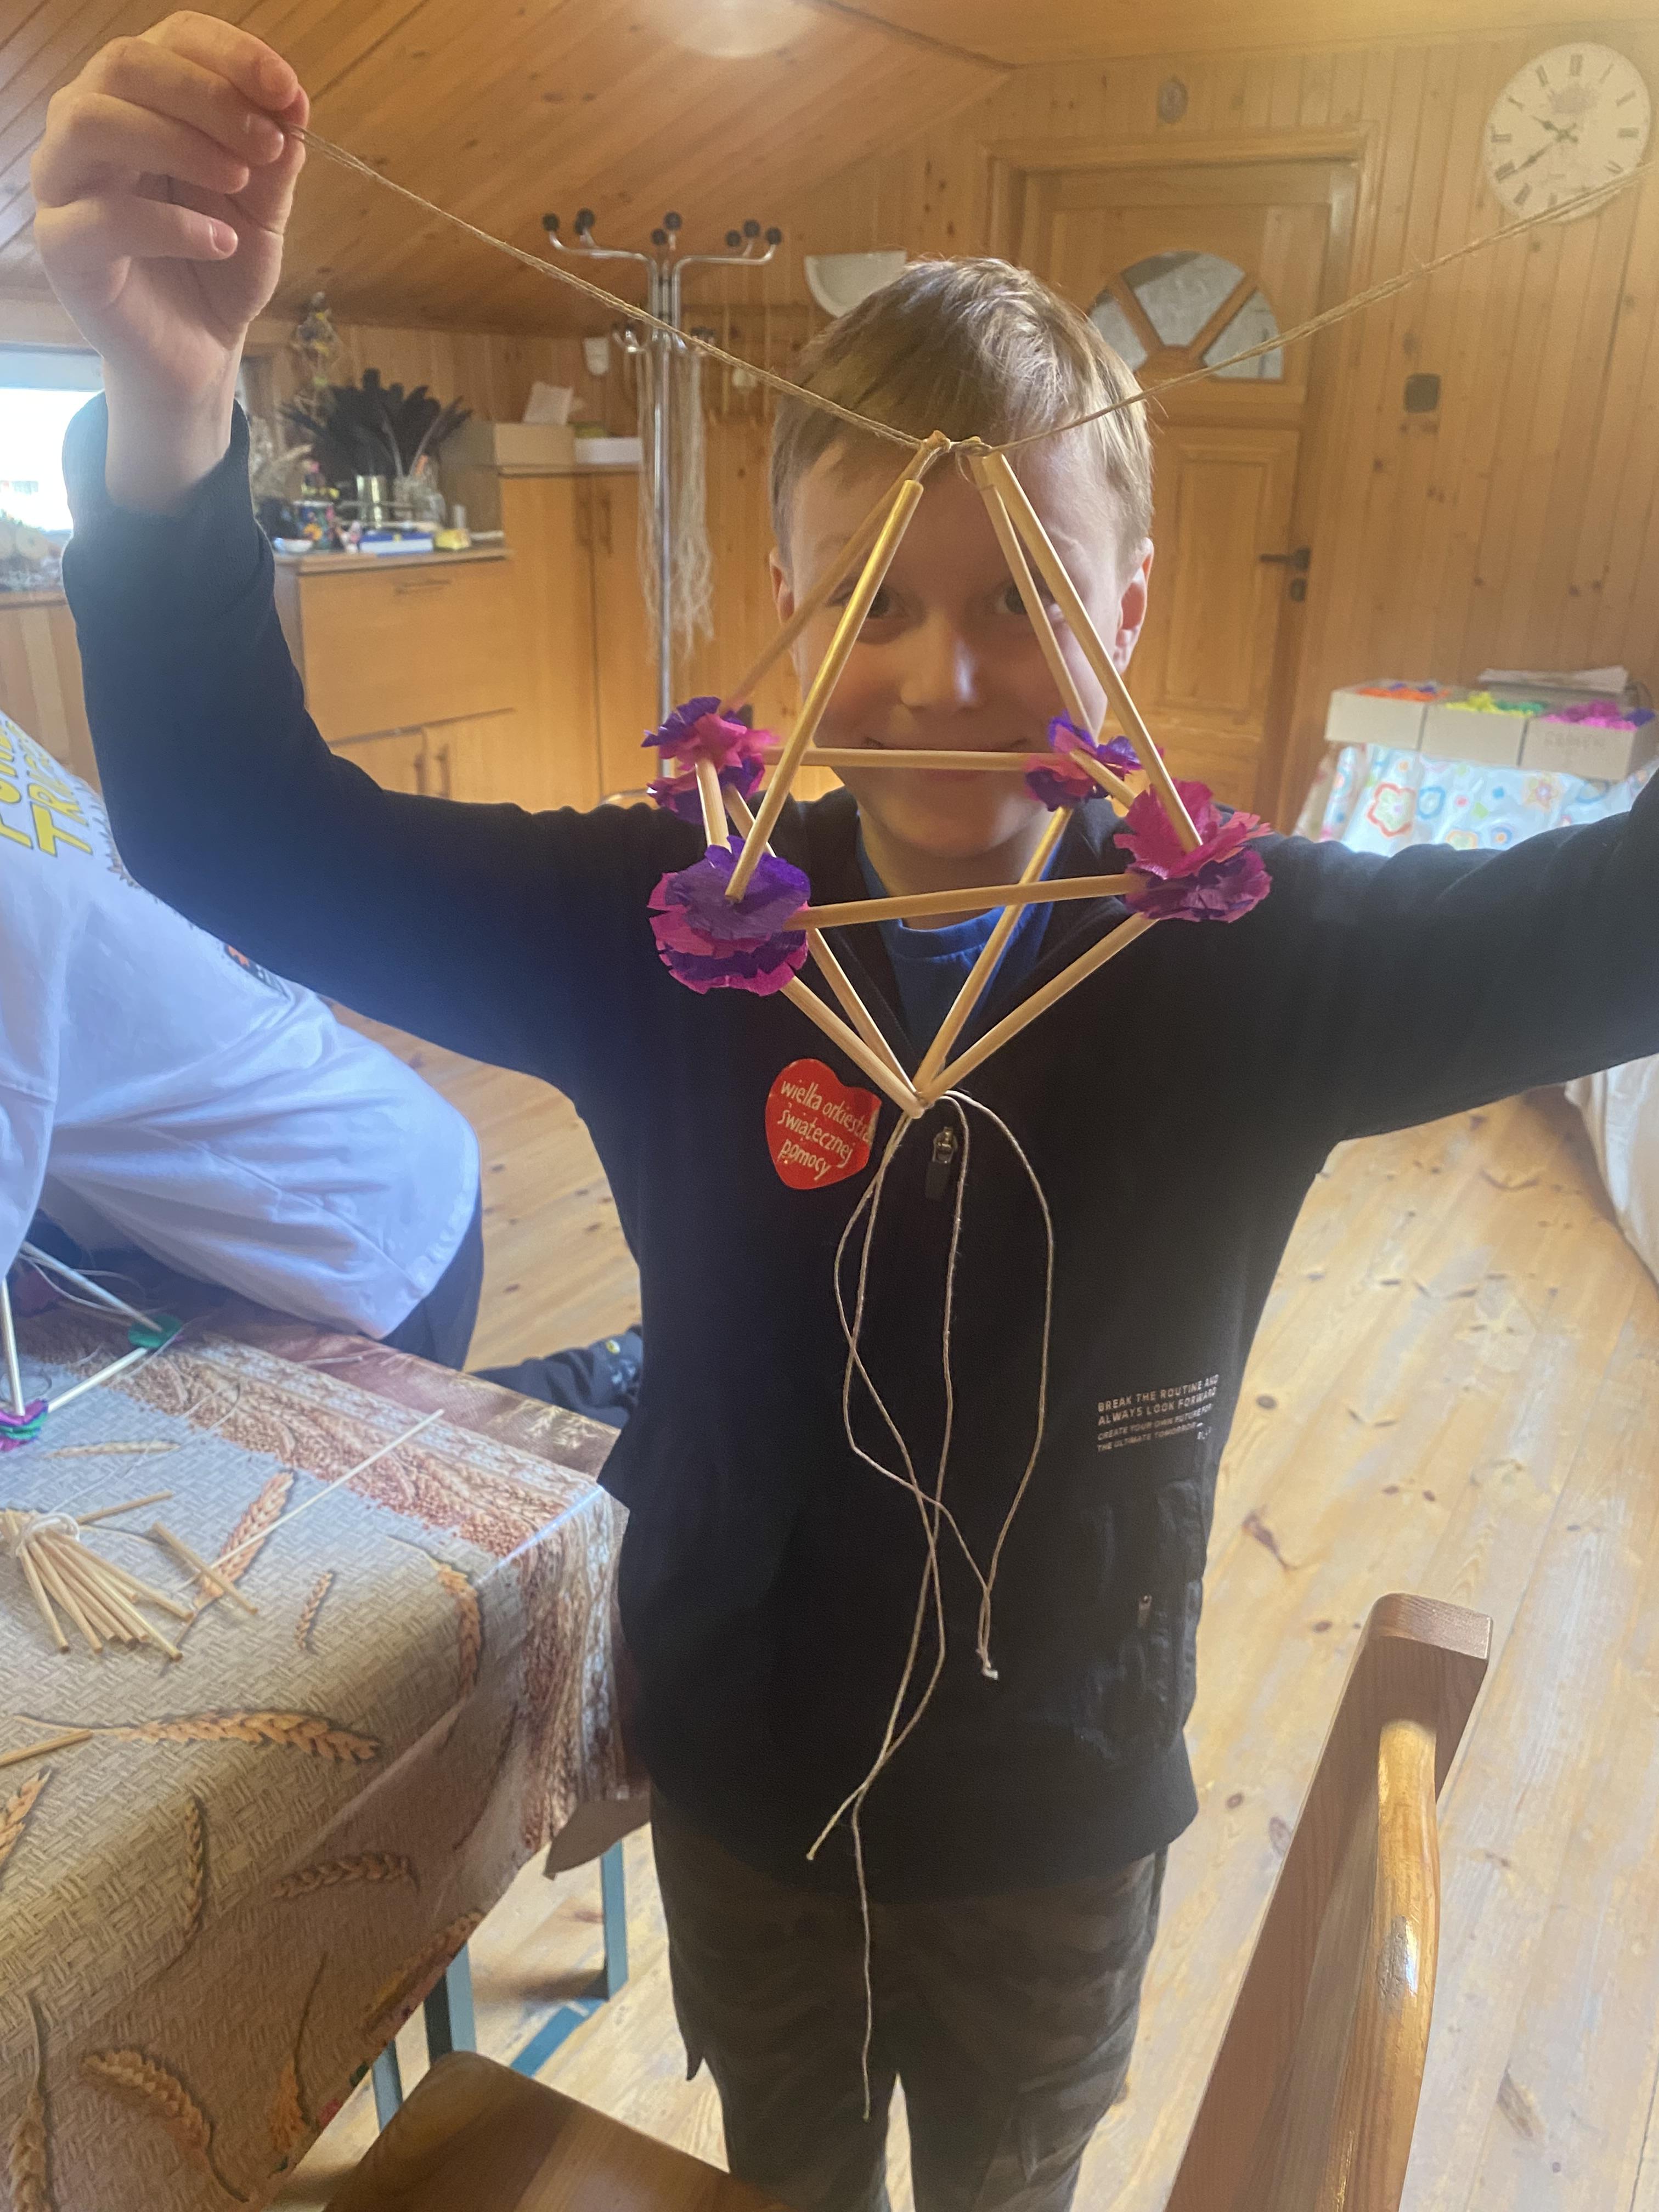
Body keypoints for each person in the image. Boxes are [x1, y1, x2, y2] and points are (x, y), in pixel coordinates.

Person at [31, 21, 1659, 2210]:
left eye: (1027, 597)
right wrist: (167, 413)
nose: (945, 676)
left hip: (1061, 1805)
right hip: (744, 1775)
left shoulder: (1247, 962)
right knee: (785, 2175)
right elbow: (245, 835)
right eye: (874, 599)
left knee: (1009, 2182)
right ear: (789, 615)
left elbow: (1607, 932)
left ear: (1134, 606)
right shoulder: (674, 925)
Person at [0, 715, 483, 1366]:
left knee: (436, 1429)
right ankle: (598, 1369)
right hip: (350, 1148)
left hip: (351, 1229)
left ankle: (596, 1374)